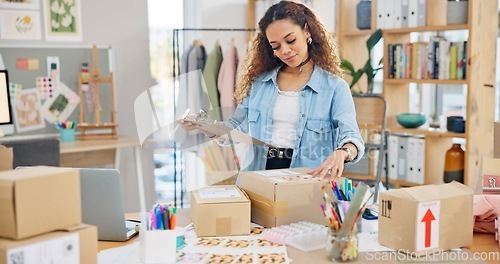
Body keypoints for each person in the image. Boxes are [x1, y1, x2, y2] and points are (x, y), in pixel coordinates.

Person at [178, 0, 364, 181]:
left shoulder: (335, 88)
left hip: (307, 181)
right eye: (276, 46)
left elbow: (352, 136)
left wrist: (343, 151)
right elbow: (237, 126)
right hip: (259, 178)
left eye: (291, 40)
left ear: (307, 31)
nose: (285, 51)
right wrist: (206, 126)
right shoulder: (260, 84)